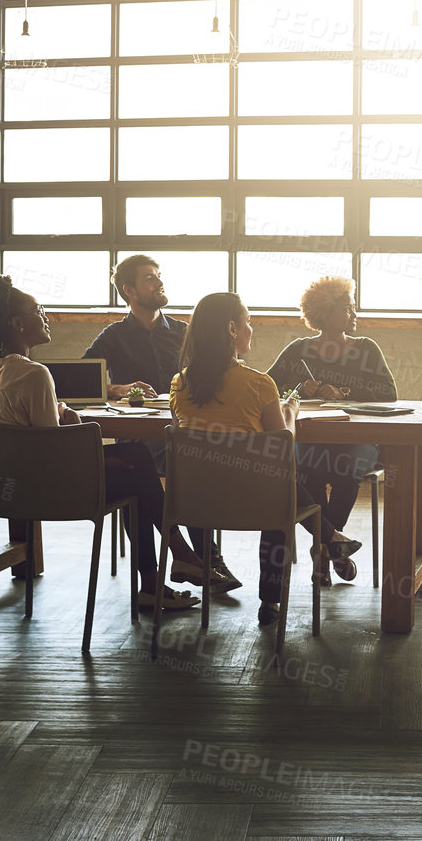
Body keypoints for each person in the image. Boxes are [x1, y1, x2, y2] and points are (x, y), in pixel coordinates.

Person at [0, 275, 196, 612]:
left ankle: (166, 569)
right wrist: (84, 438)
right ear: (17, 323)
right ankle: (175, 558)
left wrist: (62, 413)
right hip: (53, 490)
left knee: (134, 455)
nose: (45, 315)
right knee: (137, 470)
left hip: (10, 485)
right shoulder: (35, 374)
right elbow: (57, 455)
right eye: (38, 310)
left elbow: (31, 421)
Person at [171, 292, 351, 627]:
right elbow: (283, 451)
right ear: (231, 329)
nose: (251, 329)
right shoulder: (259, 384)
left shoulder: (179, 384)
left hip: (195, 504)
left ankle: (330, 537)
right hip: (255, 502)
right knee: (279, 485)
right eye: (248, 322)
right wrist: (291, 413)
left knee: (274, 483)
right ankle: (271, 602)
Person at [84, 254, 238, 592]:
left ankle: (206, 560)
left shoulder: (184, 332)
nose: (159, 282)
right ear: (129, 290)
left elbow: (218, 372)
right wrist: (116, 388)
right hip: (139, 436)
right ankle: (189, 566)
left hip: (182, 430)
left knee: (192, 462)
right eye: (149, 278)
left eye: (158, 276)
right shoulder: (113, 336)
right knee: (136, 468)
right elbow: (80, 379)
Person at [266, 275, 395, 586]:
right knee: (299, 471)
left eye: (353, 309)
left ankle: (322, 548)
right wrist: (299, 388)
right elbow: (266, 387)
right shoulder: (298, 350)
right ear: (324, 314)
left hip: (357, 440)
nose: (354, 316)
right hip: (311, 436)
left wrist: (344, 393)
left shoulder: (366, 348)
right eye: (348, 310)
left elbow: (389, 394)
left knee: (346, 470)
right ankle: (332, 544)